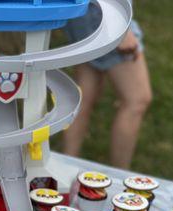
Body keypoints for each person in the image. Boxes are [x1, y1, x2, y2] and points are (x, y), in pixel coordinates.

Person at [63, 0, 152, 169]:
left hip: (89, 11)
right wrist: (121, 29)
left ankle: (66, 172)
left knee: (84, 96)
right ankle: (120, 179)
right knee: (137, 100)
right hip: (106, 12)